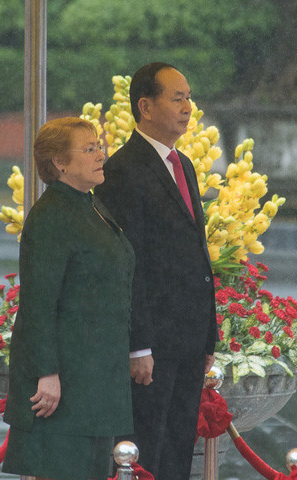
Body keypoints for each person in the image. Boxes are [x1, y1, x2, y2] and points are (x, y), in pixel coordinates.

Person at [94, 62, 217, 480]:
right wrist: (138, 345)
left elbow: (197, 254)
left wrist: (209, 333)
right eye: (177, 98)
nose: (188, 107)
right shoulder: (123, 170)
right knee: (146, 446)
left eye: (188, 97)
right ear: (145, 106)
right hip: (153, 344)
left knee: (179, 447)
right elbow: (130, 263)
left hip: (188, 337)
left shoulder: (183, 163)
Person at [2, 117, 135, 480]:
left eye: (99, 145)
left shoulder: (90, 205)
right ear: (59, 162)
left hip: (94, 379)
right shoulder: (51, 217)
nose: (100, 154)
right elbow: (38, 303)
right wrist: (47, 373)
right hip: (62, 386)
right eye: (89, 148)